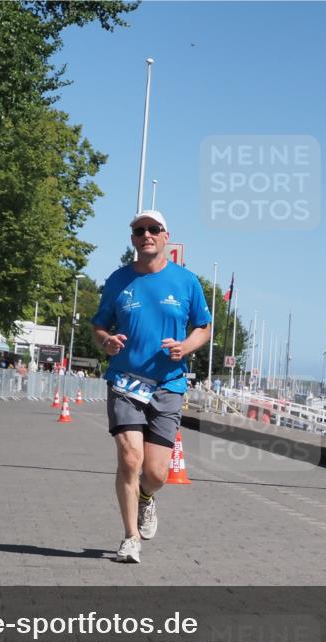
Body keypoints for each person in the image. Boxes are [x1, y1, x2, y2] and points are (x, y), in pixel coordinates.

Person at [92, 209, 211, 563]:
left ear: (165, 236)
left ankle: (147, 496)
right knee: (130, 459)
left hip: (168, 384)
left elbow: (203, 327)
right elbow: (98, 327)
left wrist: (186, 346)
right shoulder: (117, 280)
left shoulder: (186, 281)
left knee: (156, 472)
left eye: (153, 229)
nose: (147, 234)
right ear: (132, 238)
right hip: (125, 382)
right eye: (139, 230)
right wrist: (106, 341)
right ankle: (130, 538)